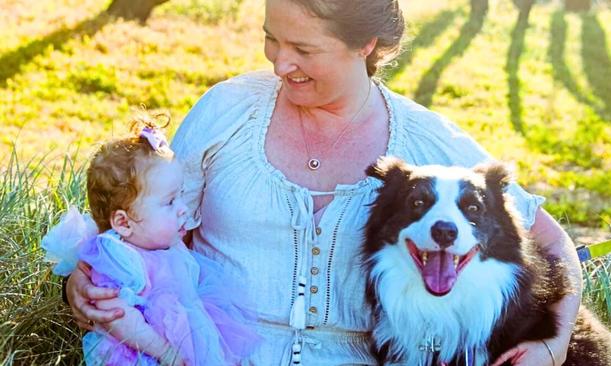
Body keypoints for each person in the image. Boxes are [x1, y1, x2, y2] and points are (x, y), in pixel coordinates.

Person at [64, 0, 583, 364]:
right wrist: (84, 284)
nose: (280, 62)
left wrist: (554, 345)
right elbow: (146, 219)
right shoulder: (227, 111)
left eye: (304, 49)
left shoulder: (428, 147)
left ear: (366, 45)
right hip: (209, 354)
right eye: (271, 37)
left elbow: (553, 243)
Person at [43, 114, 258, 365]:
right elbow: (118, 316)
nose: (182, 209)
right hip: (145, 354)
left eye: (180, 196)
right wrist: (167, 354)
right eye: (169, 202)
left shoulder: (164, 245)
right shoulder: (120, 257)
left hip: (186, 340)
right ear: (124, 223)